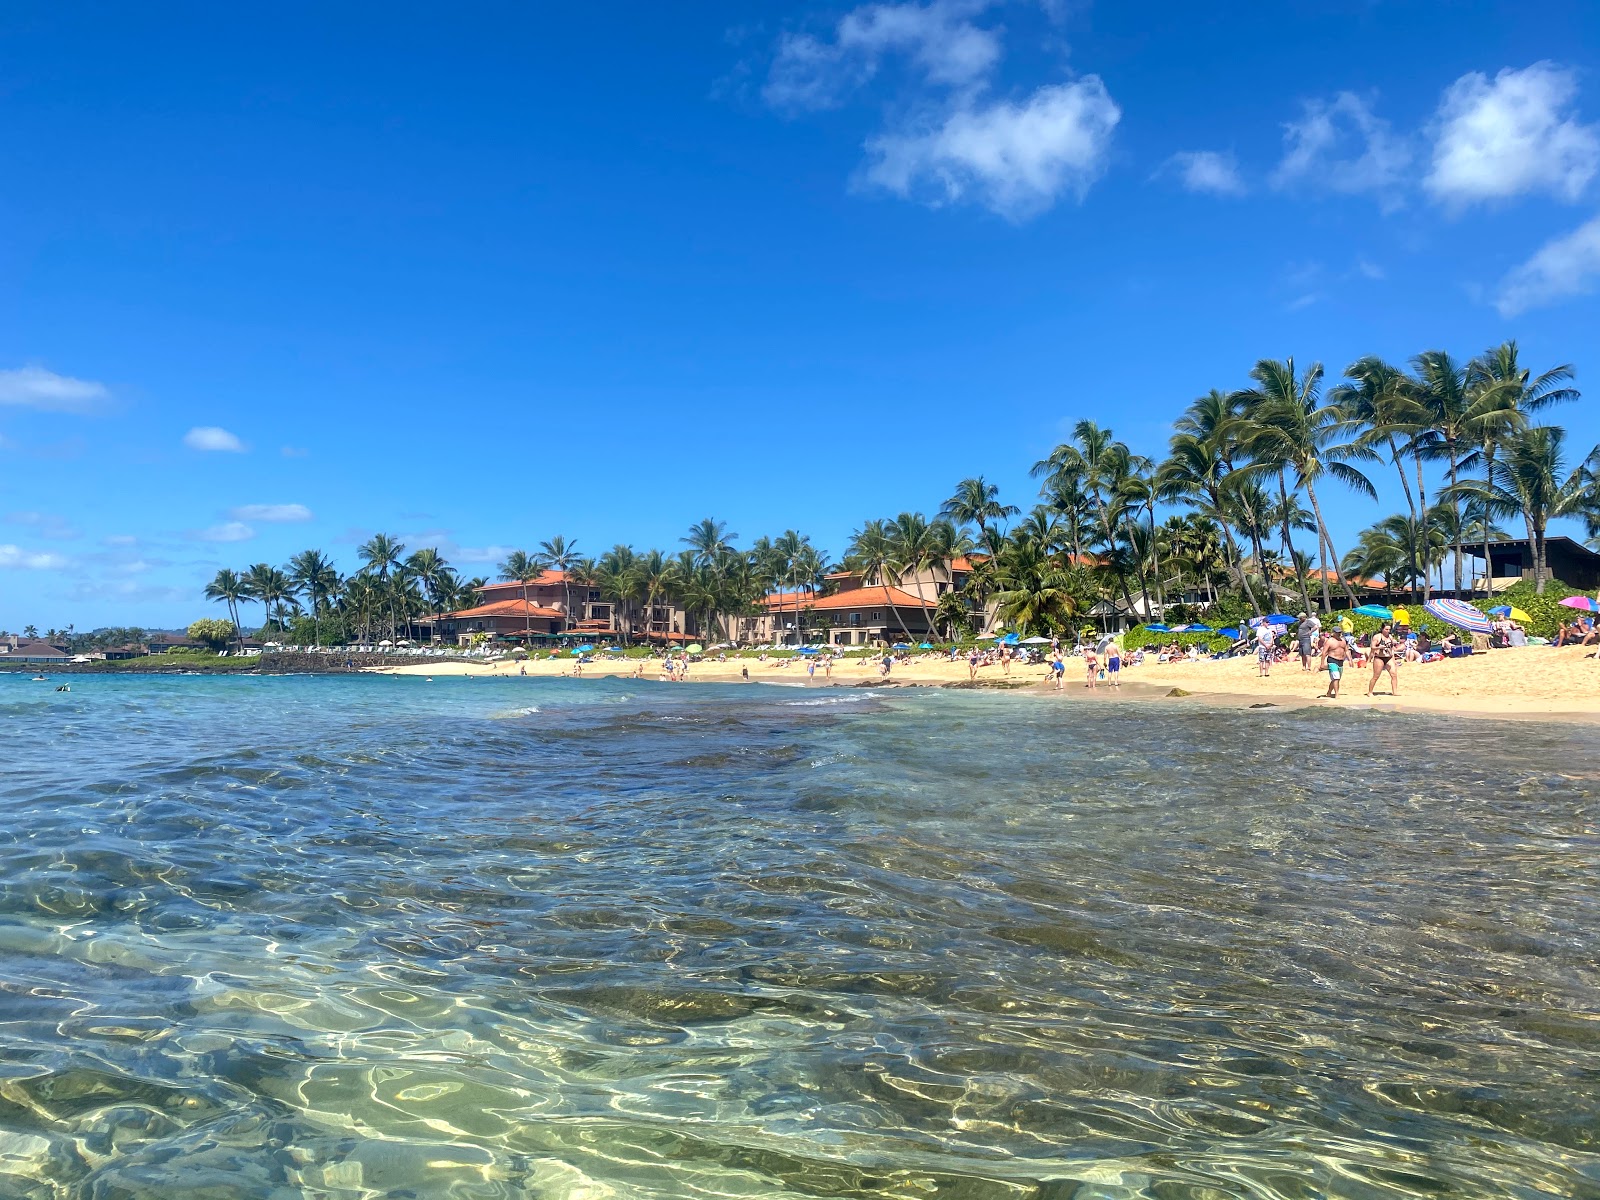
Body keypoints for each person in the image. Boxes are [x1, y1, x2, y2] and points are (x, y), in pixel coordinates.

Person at [1366, 621, 1400, 697]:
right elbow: (1372, 647)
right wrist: (1379, 647)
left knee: (1394, 675)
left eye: (1389, 629)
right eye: (1386, 629)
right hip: (1379, 658)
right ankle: (1370, 692)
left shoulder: (1390, 637)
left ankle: (1395, 692)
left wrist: (1394, 659)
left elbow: (1392, 649)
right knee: (1376, 676)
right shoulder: (1377, 637)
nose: (1388, 631)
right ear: (1382, 629)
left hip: (1389, 657)